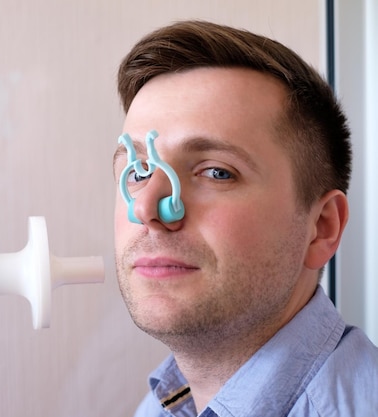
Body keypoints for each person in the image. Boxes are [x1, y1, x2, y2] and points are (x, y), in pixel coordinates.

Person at [112, 20, 378, 416]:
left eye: (217, 172)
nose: (146, 208)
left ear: (321, 228)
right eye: (137, 172)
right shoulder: (162, 404)